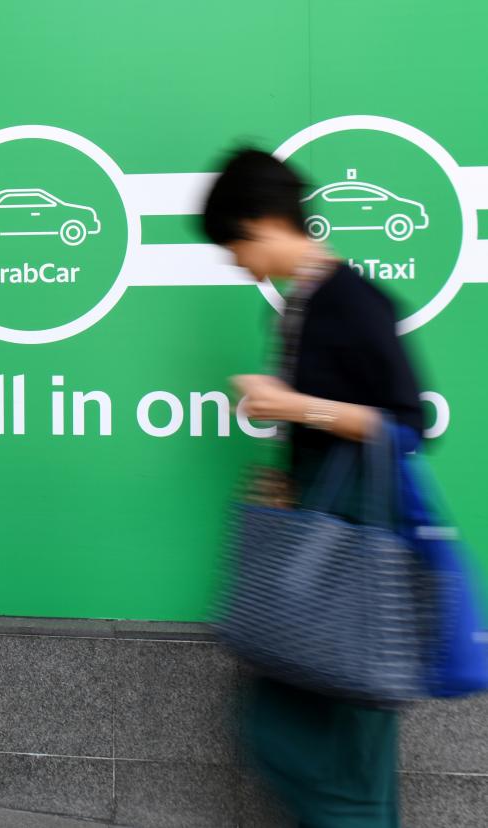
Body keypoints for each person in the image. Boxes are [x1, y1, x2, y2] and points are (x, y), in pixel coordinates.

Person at [201, 148, 425, 828]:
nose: (237, 262)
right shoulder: (298, 305)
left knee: (340, 753)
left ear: (266, 221)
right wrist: (285, 479)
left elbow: (406, 424)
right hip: (319, 556)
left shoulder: (352, 300)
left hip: (354, 568)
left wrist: (289, 406)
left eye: (236, 245)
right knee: (289, 731)